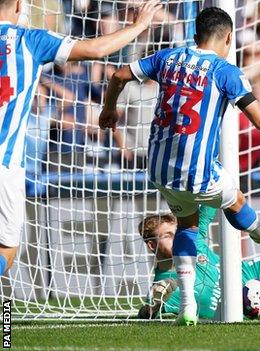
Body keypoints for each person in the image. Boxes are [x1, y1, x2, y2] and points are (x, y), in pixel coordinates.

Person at [98, 7, 260, 325]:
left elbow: (117, 75)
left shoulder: (166, 58)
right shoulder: (226, 71)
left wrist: (108, 110)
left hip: (159, 170)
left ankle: (187, 306)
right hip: (197, 172)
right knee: (234, 199)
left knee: (188, 226)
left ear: (195, 35)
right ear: (229, 38)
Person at [0, 0, 162, 293]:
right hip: (5, 165)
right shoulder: (30, 40)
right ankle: (6, 332)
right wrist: (138, 26)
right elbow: (96, 50)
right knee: (7, 250)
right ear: (20, 6)